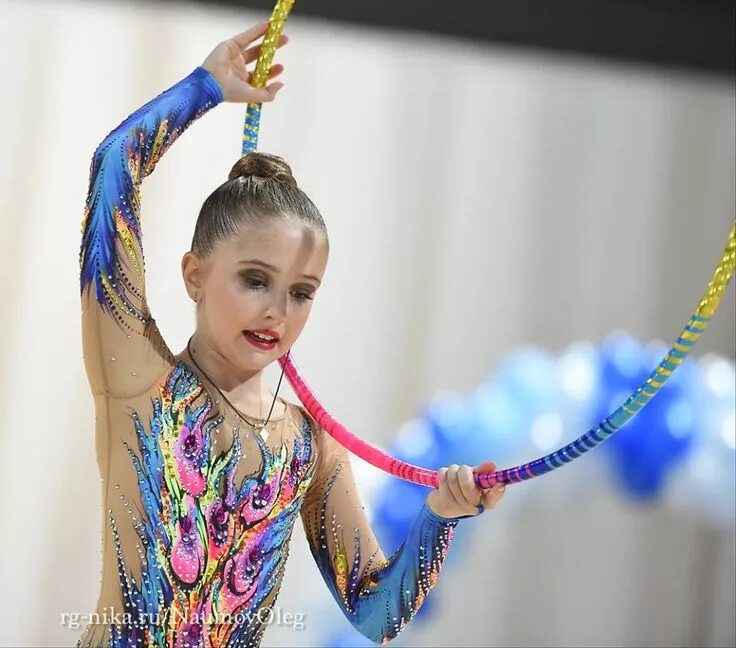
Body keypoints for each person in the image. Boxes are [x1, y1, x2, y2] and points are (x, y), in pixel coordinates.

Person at [77, 21, 507, 647]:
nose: (278, 310)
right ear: (195, 275)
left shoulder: (308, 443)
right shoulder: (136, 379)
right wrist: (203, 89)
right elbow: (115, 164)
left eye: (302, 292)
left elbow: (376, 616)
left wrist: (439, 517)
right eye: (256, 279)